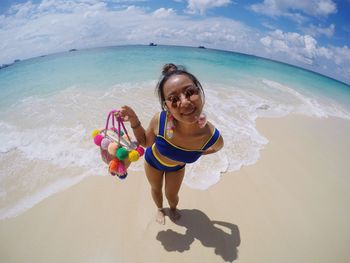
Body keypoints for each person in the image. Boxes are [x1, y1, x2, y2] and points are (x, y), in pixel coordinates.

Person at [119, 63, 224, 224]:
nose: (184, 102)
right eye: (173, 99)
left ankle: (173, 208)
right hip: (153, 162)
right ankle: (160, 209)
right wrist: (134, 120)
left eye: (190, 92)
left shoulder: (211, 136)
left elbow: (217, 148)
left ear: (200, 92)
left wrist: (198, 152)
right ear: (166, 106)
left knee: (172, 195)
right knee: (156, 189)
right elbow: (145, 143)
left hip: (177, 168)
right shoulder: (160, 120)